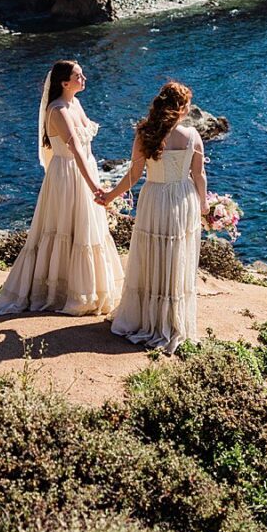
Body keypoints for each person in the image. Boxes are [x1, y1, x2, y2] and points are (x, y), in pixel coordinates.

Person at [0, 59, 123, 317]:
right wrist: (96, 187)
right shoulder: (58, 110)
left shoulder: (75, 103)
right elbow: (75, 151)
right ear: (64, 83)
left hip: (83, 170)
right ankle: (61, 294)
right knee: (65, 229)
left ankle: (88, 290)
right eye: (78, 75)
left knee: (85, 230)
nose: (84, 78)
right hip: (68, 175)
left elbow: (85, 148)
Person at [103, 81, 205, 351]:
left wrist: (110, 196)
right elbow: (199, 176)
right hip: (182, 199)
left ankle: (146, 317)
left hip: (154, 198)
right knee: (175, 255)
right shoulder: (192, 136)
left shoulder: (144, 133)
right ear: (181, 109)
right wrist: (204, 207)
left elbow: (133, 176)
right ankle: (169, 321)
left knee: (151, 254)